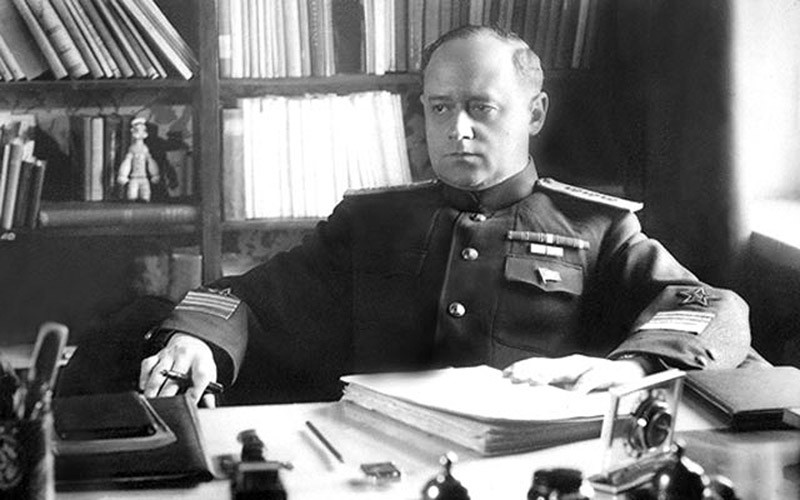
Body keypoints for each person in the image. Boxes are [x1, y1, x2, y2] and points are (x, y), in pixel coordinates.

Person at [139, 26, 757, 406]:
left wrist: (636, 367)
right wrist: (197, 338)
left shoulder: (598, 229)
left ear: (535, 113)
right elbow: (248, 296)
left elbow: (710, 307)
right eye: (439, 108)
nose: (456, 129)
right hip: (374, 461)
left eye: (480, 108)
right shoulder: (369, 223)